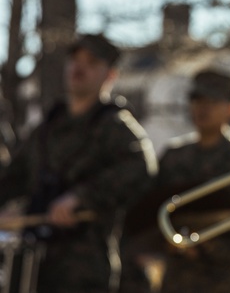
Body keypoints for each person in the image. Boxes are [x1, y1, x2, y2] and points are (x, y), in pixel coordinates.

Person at [0, 33, 157, 293]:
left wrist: (80, 197)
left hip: (84, 268)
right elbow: (12, 178)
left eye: (91, 62)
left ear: (110, 75)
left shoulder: (116, 127)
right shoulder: (48, 127)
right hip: (35, 263)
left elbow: (140, 170)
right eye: (75, 60)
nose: (78, 68)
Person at [121, 68, 230, 293]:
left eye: (212, 101)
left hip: (224, 284)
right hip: (176, 283)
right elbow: (147, 215)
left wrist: (209, 247)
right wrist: (167, 243)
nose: (202, 108)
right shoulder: (174, 157)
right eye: (197, 100)